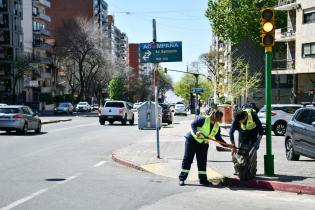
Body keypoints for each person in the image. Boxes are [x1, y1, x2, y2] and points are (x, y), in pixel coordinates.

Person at [178, 110, 227, 186]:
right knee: (188, 159)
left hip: (203, 143)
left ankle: (203, 180)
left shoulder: (217, 126)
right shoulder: (204, 119)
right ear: (214, 116)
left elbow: (218, 138)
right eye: (218, 118)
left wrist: (228, 145)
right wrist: (196, 132)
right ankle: (182, 178)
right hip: (192, 140)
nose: (219, 120)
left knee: (202, 161)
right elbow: (193, 124)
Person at [229, 108, 264, 174]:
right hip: (242, 137)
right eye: (239, 121)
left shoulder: (253, 116)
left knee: (252, 156)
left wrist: (258, 142)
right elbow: (231, 133)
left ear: (245, 116)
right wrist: (233, 146)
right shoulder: (237, 119)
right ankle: (239, 170)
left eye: (242, 121)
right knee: (239, 155)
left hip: (253, 137)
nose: (241, 122)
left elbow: (261, 131)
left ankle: (252, 172)